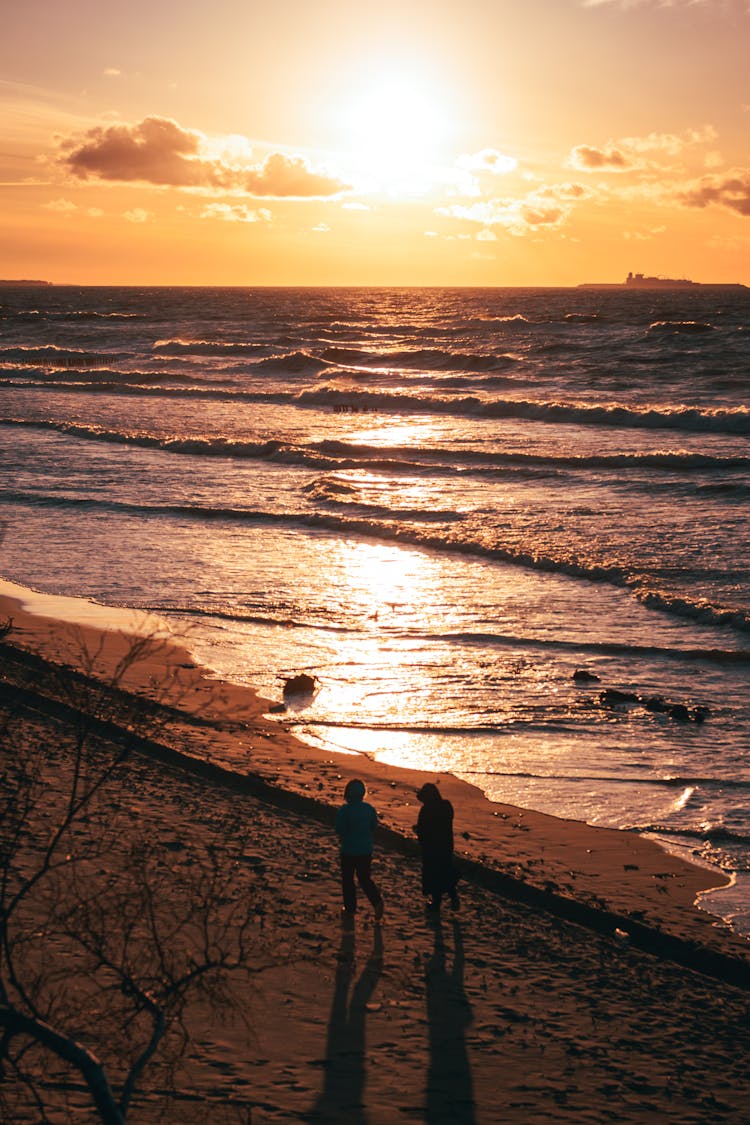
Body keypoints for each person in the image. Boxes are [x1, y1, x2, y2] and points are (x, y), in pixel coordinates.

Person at [335, 778, 384, 920]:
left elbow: (339, 829)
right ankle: (377, 901)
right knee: (364, 878)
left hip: (349, 850)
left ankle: (350, 908)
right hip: (365, 850)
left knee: (348, 879)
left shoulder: (345, 810)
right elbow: (374, 826)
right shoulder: (369, 809)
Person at [415, 782, 459, 911]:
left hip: (431, 847)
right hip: (446, 845)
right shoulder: (446, 806)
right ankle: (453, 896)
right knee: (446, 871)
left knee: (433, 874)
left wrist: (418, 832)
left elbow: (423, 829)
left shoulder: (426, 810)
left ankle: (436, 903)